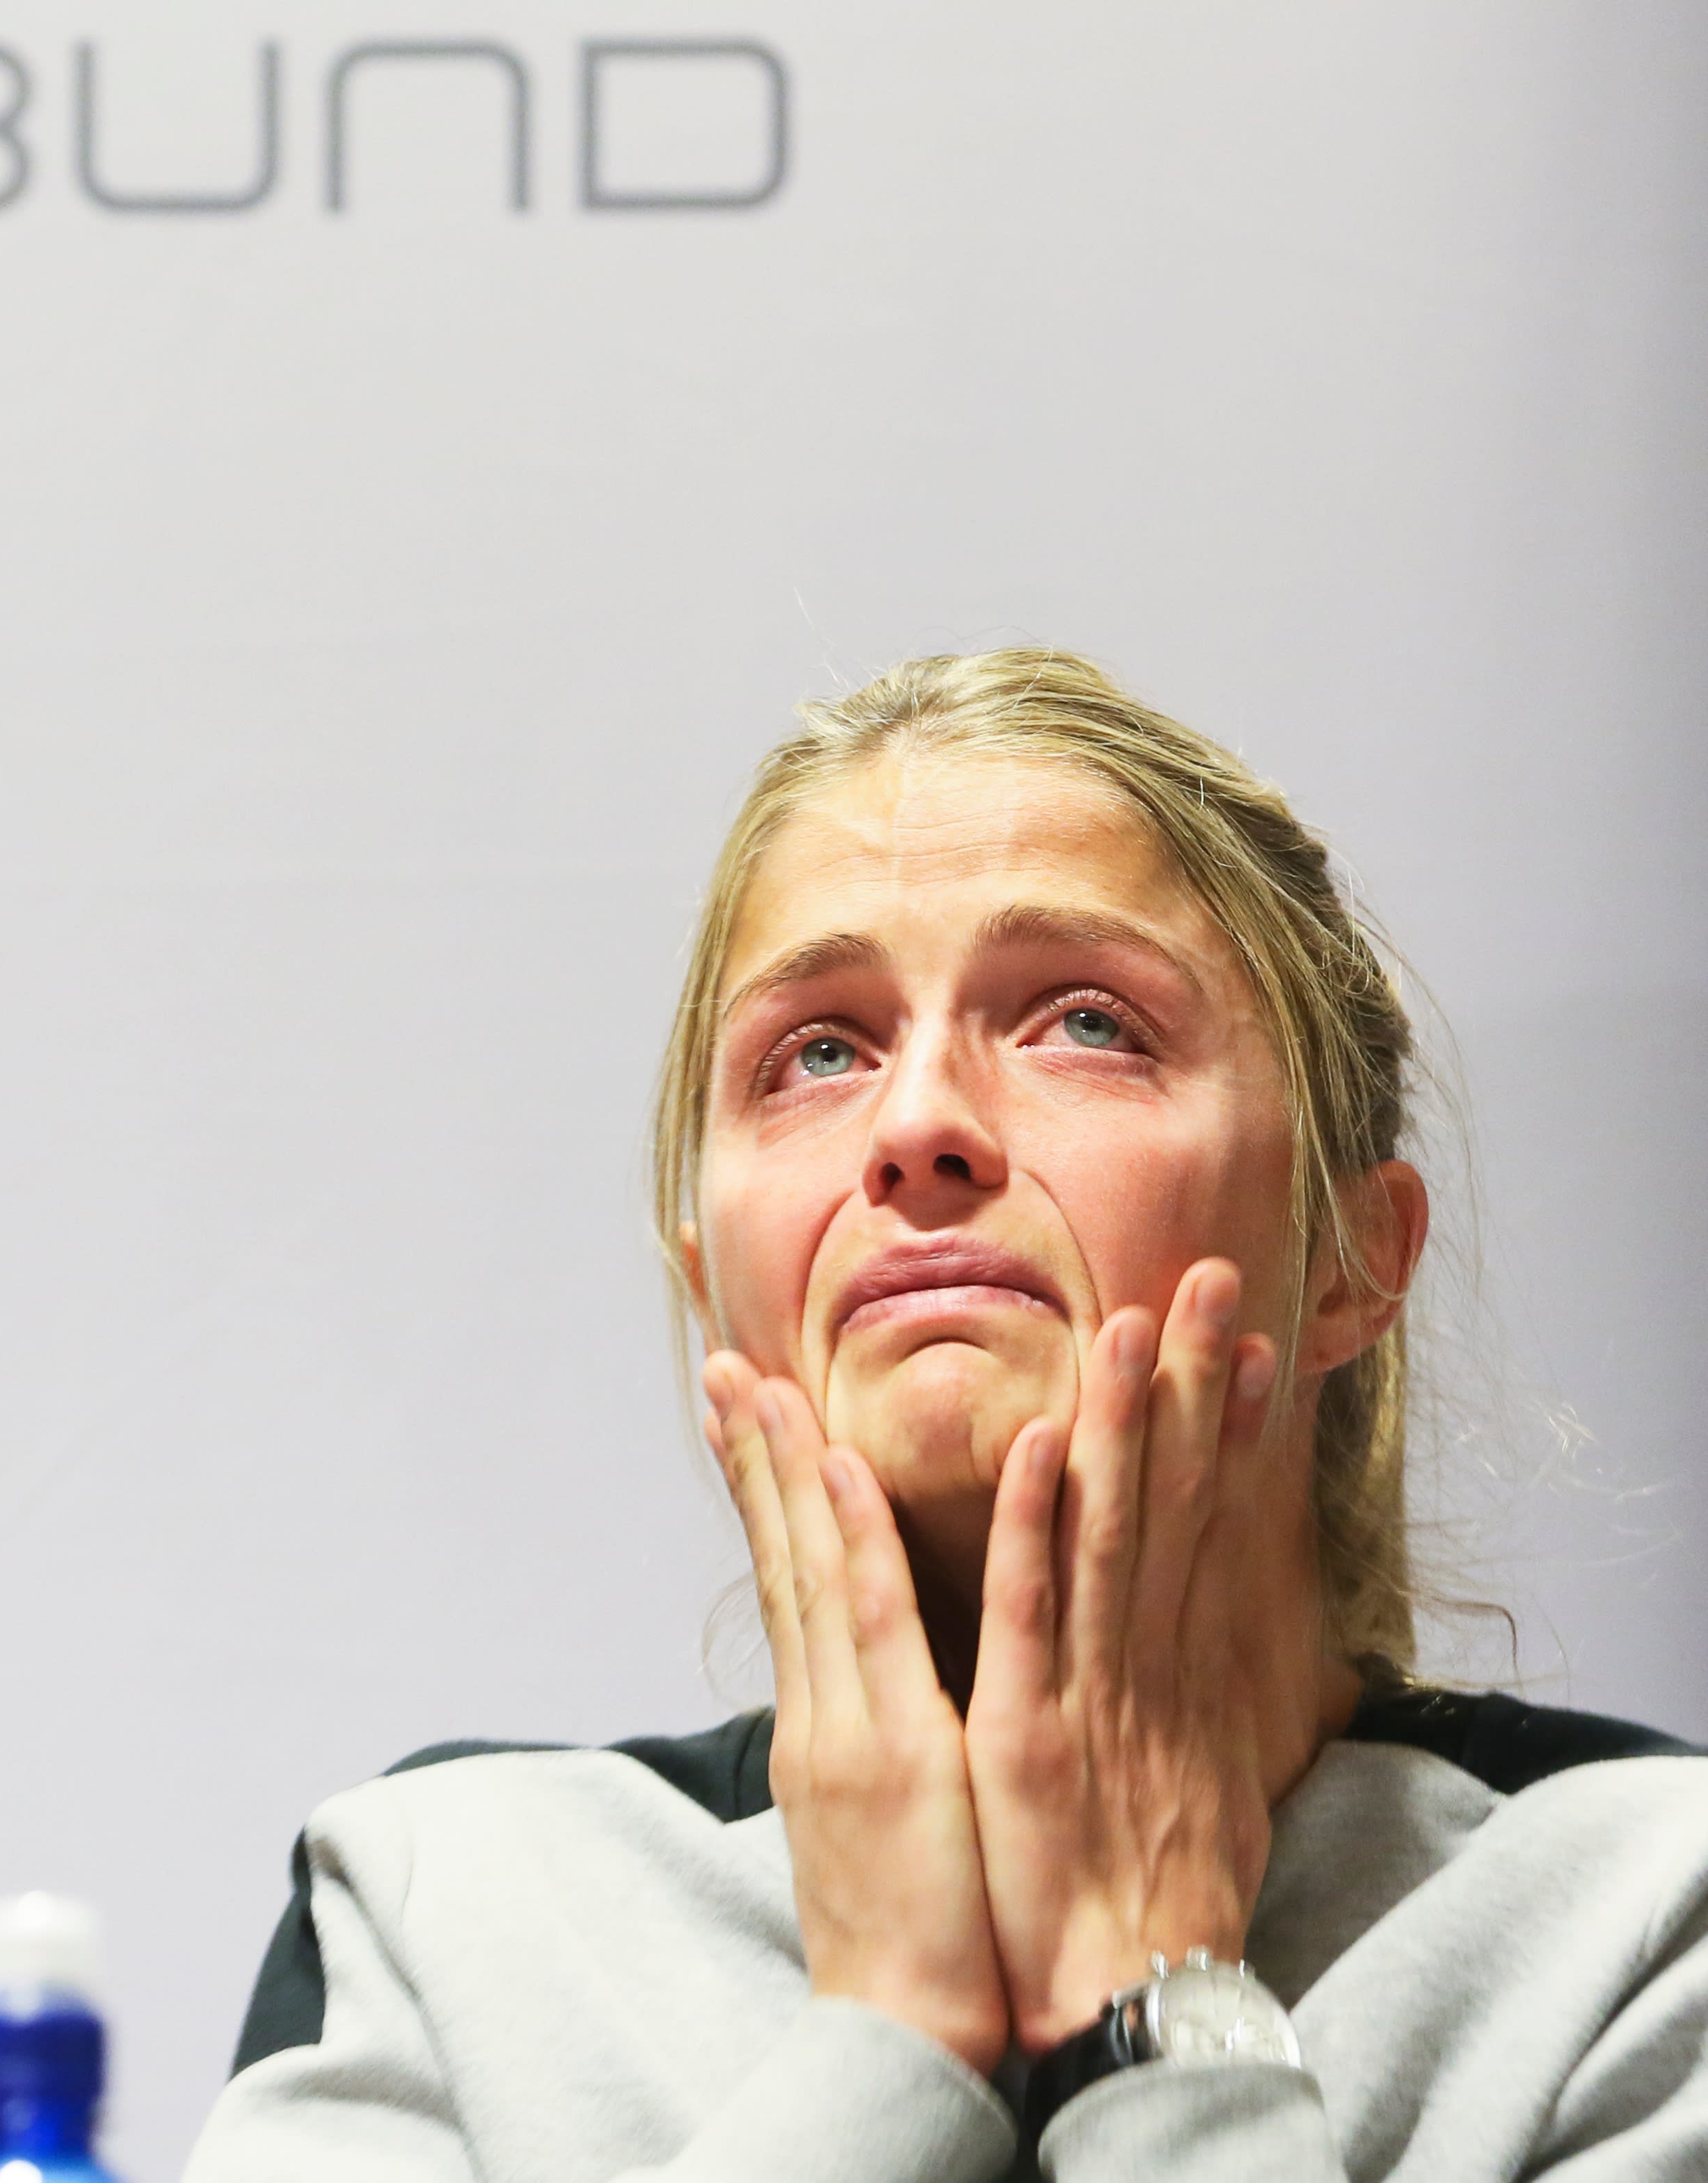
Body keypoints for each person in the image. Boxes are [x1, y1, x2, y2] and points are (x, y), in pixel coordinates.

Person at [180, 652, 1708, 2183]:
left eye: (1085, 1023)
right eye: (818, 1053)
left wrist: (1157, 2012)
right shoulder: (442, 1917)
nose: (915, 1127)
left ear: (1351, 1261)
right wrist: (886, 2044)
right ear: (715, 1288)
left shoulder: (1647, 1926)